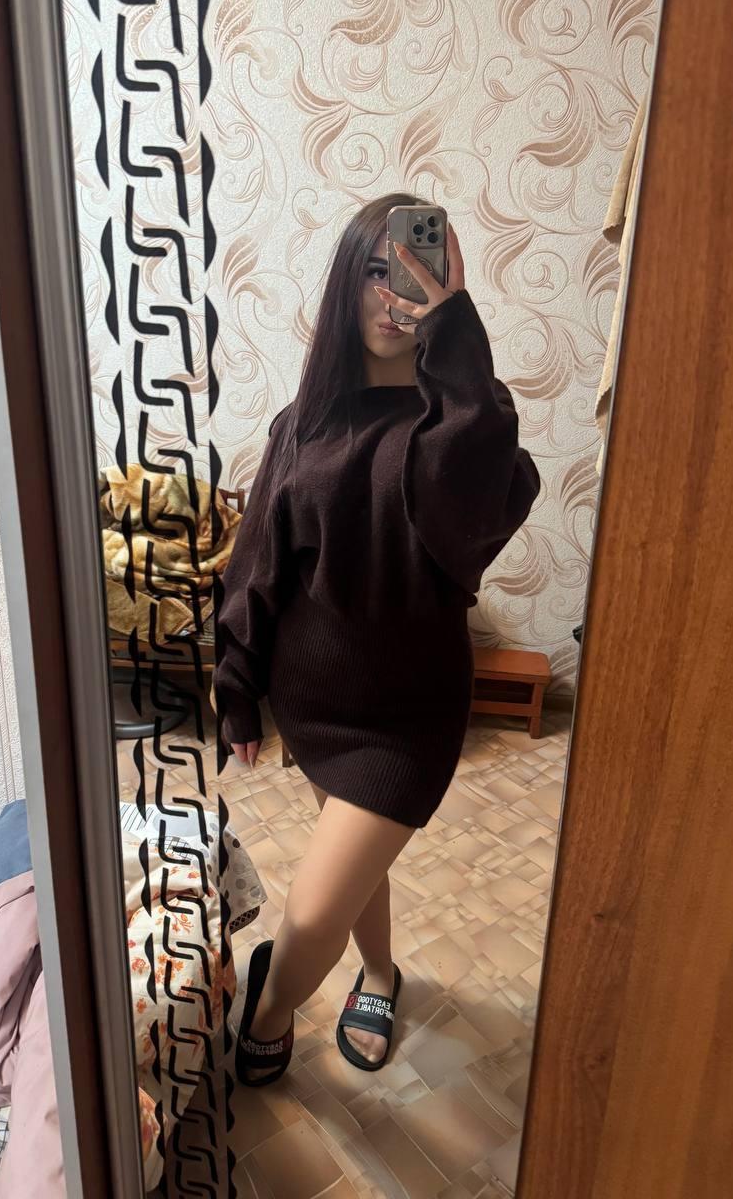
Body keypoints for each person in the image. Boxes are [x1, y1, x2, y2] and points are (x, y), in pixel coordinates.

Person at [213, 192, 540, 1087]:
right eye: (378, 272)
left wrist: (454, 333)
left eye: (423, 275)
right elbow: (258, 563)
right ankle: (383, 974)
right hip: (314, 701)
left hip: (406, 718)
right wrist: (238, 685)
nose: (398, 295)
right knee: (352, 864)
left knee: (311, 912)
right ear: (344, 285)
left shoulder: (464, 424)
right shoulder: (304, 423)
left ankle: (269, 1008)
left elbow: (476, 509)